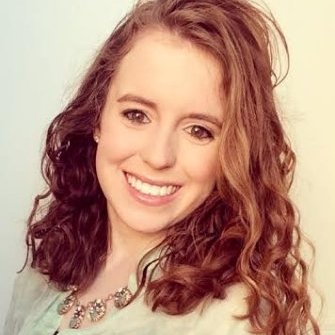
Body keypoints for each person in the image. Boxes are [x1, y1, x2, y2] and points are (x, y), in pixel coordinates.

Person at [4, 0, 320, 334]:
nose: (158, 156)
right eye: (136, 115)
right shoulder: (49, 266)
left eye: (199, 130)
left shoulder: (234, 319)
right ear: (97, 117)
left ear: (232, 153)